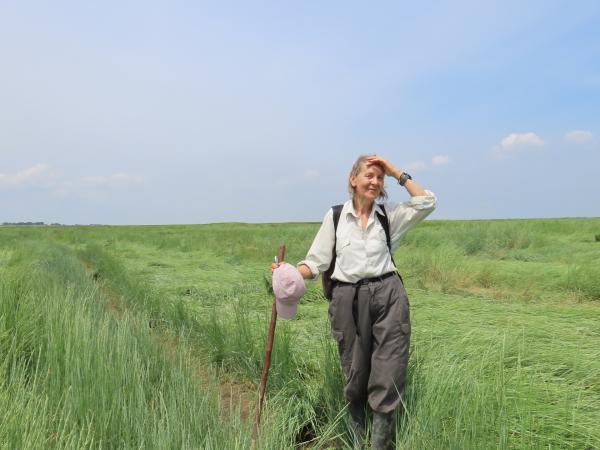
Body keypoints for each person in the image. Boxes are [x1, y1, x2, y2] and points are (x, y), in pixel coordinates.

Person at [296, 155, 436, 449]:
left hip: (388, 295)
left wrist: (396, 172)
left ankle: (380, 445)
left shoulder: (389, 215)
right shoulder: (335, 217)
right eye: (369, 175)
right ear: (353, 179)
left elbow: (427, 202)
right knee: (355, 371)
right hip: (347, 298)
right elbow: (315, 262)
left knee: (390, 368)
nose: (374, 181)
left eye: (379, 177)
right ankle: (356, 441)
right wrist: (290, 274)